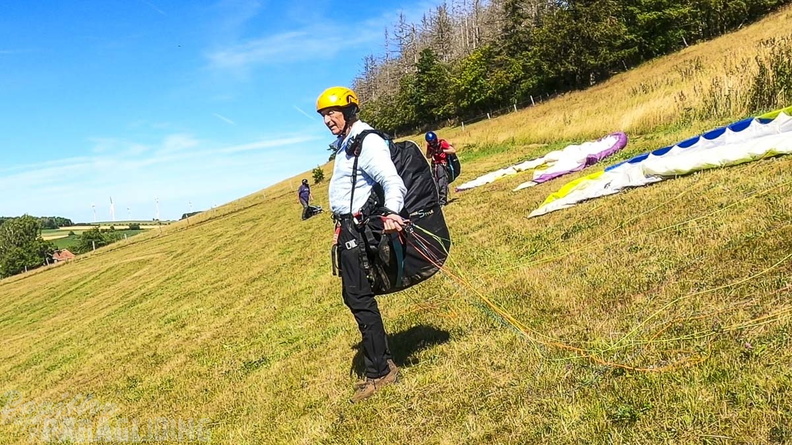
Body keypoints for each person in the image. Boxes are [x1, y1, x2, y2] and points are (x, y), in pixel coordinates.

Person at [316, 86, 405, 403]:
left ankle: (380, 371)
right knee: (356, 296)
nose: (328, 120)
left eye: (332, 112)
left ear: (350, 110)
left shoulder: (367, 141)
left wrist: (393, 211)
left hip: (358, 229)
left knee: (359, 297)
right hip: (347, 229)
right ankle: (381, 362)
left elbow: (391, 179)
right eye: (324, 115)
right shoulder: (346, 144)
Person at [425, 131, 456, 206]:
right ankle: (436, 200)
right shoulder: (429, 146)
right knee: (435, 183)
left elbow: (453, 150)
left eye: (433, 141)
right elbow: (428, 156)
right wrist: (432, 152)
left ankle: (442, 201)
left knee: (442, 182)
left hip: (442, 164)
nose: (432, 143)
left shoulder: (442, 143)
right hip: (434, 165)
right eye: (430, 142)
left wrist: (443, 151)